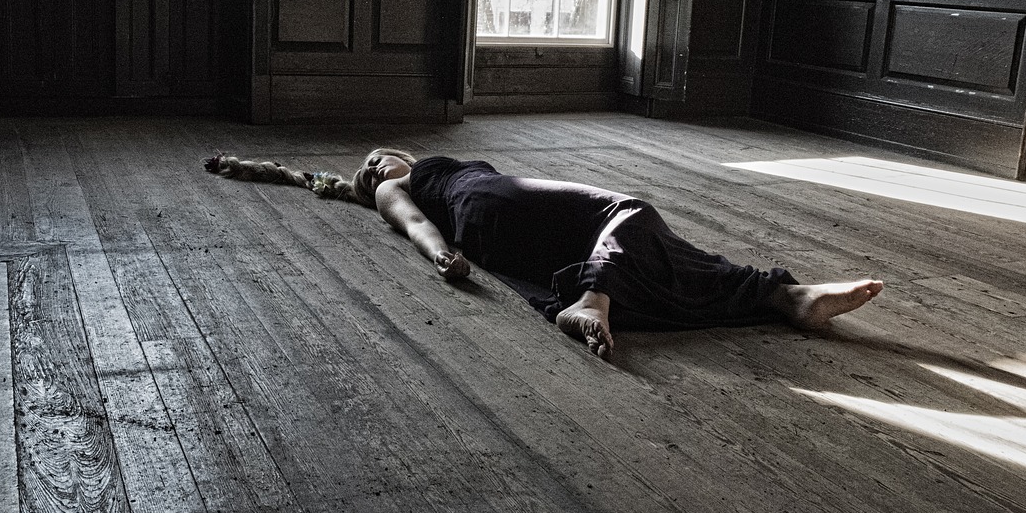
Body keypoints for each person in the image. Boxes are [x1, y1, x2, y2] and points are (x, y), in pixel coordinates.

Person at [205, 148, 883, 360]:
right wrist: (441, 256)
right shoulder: (397, 187)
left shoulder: (425, 165)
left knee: (653, 244)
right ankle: (592, 298)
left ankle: (784, 297)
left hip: (514, 211)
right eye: (370, 167)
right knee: (633, 211)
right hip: (489, 212)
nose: (379, 161)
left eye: (381, 157)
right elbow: (412, 224)